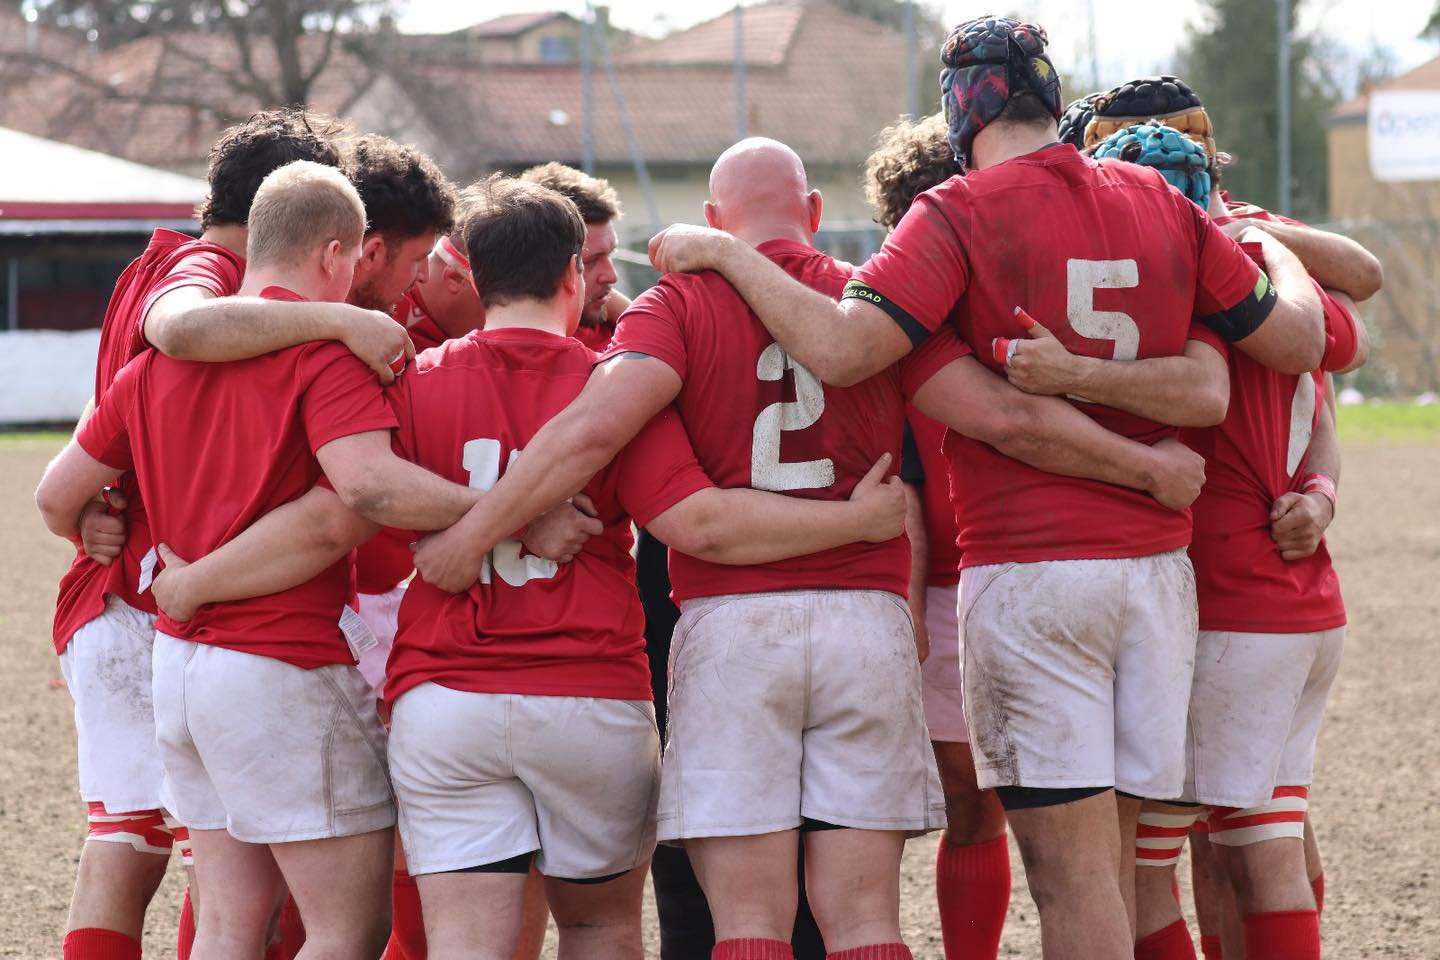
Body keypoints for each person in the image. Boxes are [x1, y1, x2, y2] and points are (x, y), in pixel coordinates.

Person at [405, 134, 1208, 960]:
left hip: (734, 627)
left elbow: (612, 443)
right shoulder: (877, 309)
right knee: (865, 923)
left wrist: (474, 531)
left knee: (749, 922)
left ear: (715, 219)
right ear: (816, 214)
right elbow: (1009, 418)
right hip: (864, 620)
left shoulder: (673, 305)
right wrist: (1145, 465)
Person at [636, 17, 1329, 959]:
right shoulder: (1161, 201)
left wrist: (722, 255)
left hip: (1037, 573)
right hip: (1160, 583)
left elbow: (851, 352)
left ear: (961, 111)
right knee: (1133, 871)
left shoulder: (956, 211)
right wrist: (1278, 252)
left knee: (1078, 888)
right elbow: (1293, 344)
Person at [35, 161, 488, 960]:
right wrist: (508, 512)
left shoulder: (153, 364)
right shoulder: (329, 356)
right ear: (335, 253)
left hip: (177, 669)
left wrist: (98, 535)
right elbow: (370, 495)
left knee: (226, 927)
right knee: (346, 931)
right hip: (280, 662)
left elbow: (56, 492)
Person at [1077, 83, 1379, 960]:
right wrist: (1319, 493)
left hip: (1230, 598)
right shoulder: (1270, 271)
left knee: (1149, 864)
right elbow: (1332, 354)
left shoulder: (1186, 269)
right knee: (1265, 829)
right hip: (1301, 603)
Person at [865, 113, 1012, 960]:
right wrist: (912, 598)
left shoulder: (1029, 292)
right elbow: (903, 477)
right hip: (951, 585)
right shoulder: (891, 330)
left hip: (1037, 564)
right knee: (969, 800)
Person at [520, 162, 630, 350]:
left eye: (611, 254)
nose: (612, 276)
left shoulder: (622, 332)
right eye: (591, 261)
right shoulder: (490, 343)